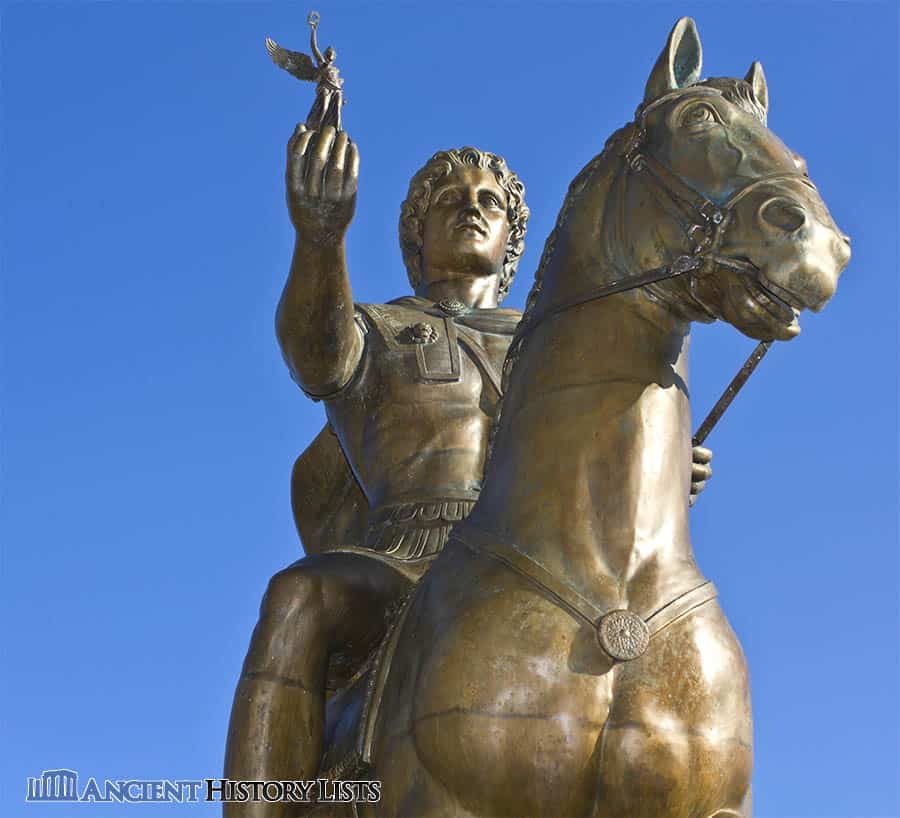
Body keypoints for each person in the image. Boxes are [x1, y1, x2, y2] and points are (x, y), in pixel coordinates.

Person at [223, 125, 712, 812]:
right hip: (408, 556)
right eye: (448, 199)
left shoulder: (554, 345)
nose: (471, 206)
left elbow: (606, 447)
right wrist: (320, 237)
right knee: (297, 598)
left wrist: (663, 468)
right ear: (416, 239)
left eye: (489, 200)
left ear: (512, 238)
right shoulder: (376, 327)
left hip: (543, 561)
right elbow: (315, 351)